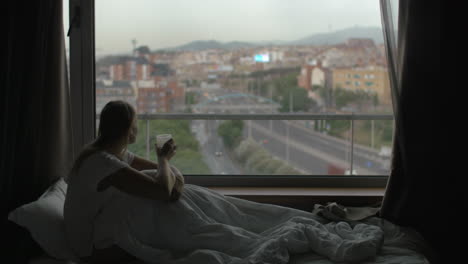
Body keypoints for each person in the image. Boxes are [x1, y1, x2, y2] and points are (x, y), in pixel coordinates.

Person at [64, 100, 184, 263]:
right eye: (135, 123)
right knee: (153, 196)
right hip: (90, 247)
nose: (138, 128)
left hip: (99, 231)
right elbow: (163, 191)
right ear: (128, 129)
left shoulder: (111, 152)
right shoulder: (102, 162)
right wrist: (164, 159)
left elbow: (162, 176)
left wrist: (168, 171)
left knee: (149, 183)